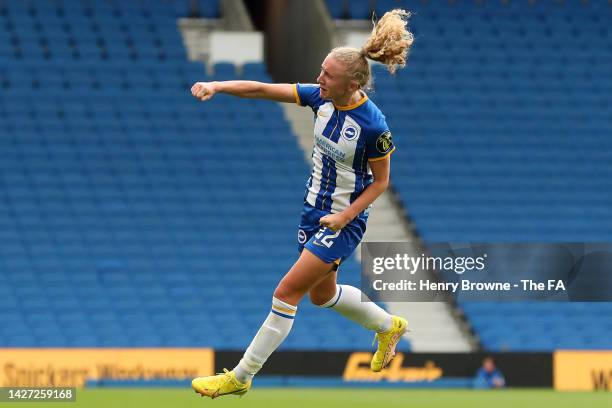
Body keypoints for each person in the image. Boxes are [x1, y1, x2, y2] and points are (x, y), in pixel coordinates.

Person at [190, 9, 414, 399]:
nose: (318, 78)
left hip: (343, 222)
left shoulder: (373, 126)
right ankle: (387, 325)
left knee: (286, 293)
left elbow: (381, 183)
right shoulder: (319, 99)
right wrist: (217, 84)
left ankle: (240, 376)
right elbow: (262, 89)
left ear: (351, 83)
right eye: (321, 71)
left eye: (327, 74)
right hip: (313, 212)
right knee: (322, 296)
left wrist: (344, 216)